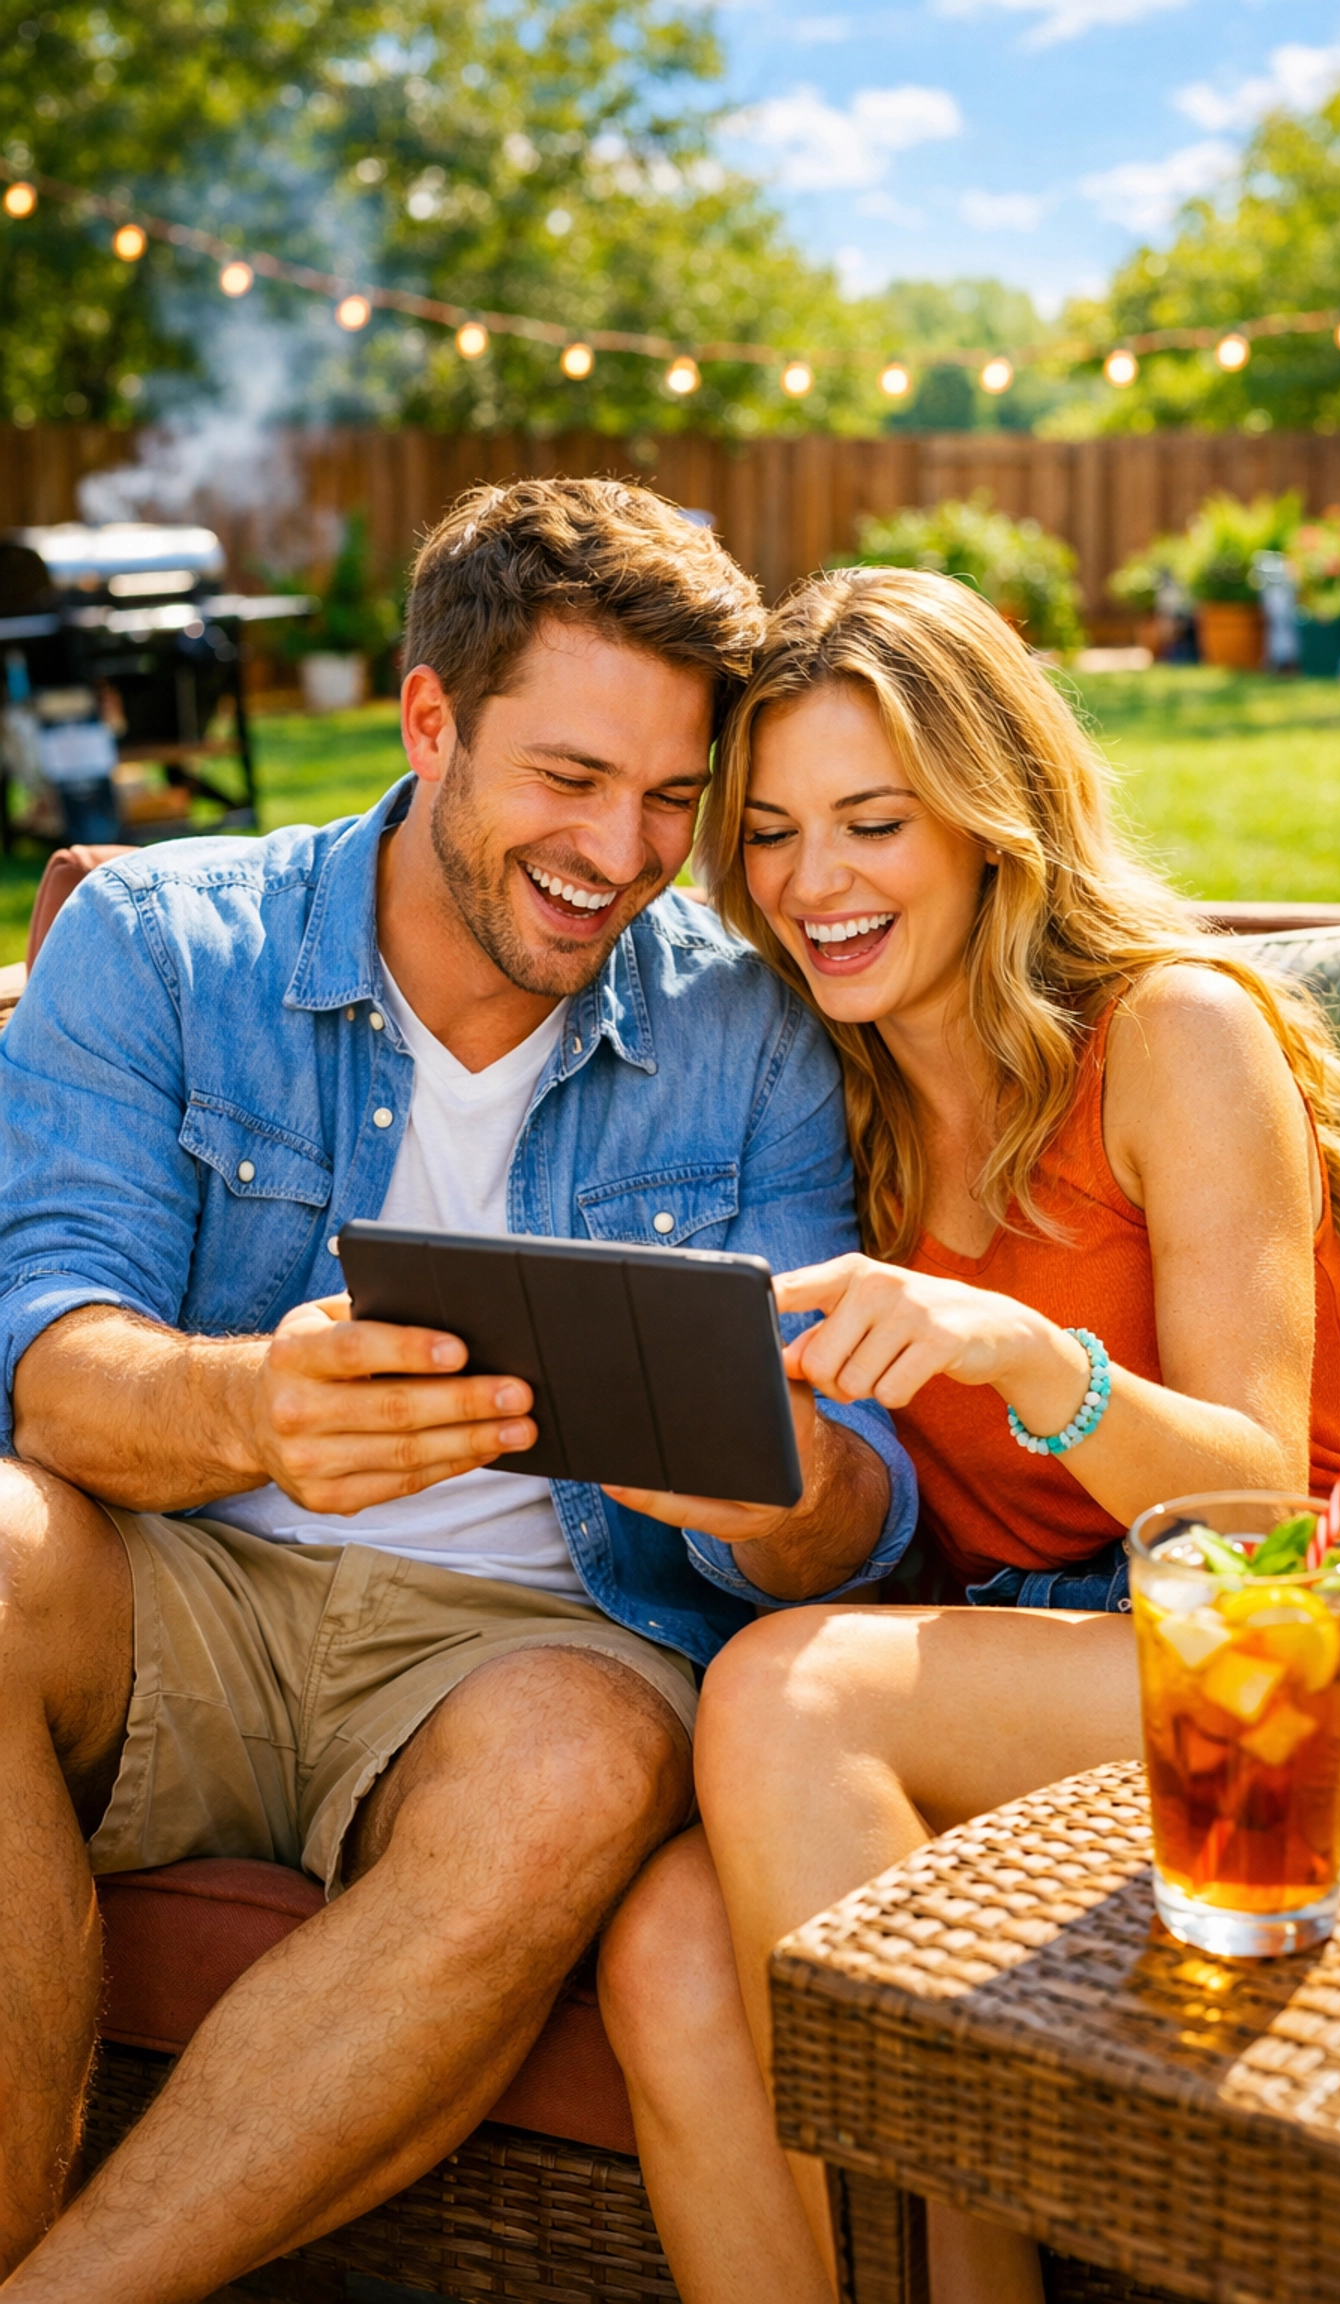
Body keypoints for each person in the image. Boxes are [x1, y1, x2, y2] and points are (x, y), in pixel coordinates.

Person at [0, 482, 915, 2301]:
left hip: (522, 1652)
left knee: (581, 1761)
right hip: (178, 1584)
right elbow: (47, 1362)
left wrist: (780, 1490)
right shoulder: (170, 944)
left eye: (672, 799)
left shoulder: (749, 1027)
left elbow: (856, 1510)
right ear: (431, 723)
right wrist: (256, 1405)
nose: (621, 852)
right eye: (567, 780)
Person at [598, 566, 1340, 2304]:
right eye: (776, 833)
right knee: (664, 1952)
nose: (816, 886)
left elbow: (1256, 1498)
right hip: (1036, 1675)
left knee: (793, 1691)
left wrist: (1037, 1361)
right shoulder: (826, 1095)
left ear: (990, 819)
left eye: (872, 822)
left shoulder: (1173, 1035)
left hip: (1325, 1654)